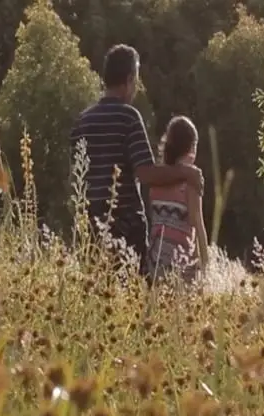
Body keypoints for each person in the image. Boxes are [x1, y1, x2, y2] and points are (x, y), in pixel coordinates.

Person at [69, 44, 203, 275]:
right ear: (129, 78)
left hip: (88, 229)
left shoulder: (83, 121)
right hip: (124, 228)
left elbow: (75, 178)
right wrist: (186, 172)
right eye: (136, 80)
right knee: (128, 301)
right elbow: (146, 173)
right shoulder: (128, 117)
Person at [145, 116, 209, 285]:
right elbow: (198, 223)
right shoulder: (191, 180)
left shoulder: (158, 179)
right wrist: (206, 265)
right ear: (192, 147)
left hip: (155, 260)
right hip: (180, 263)